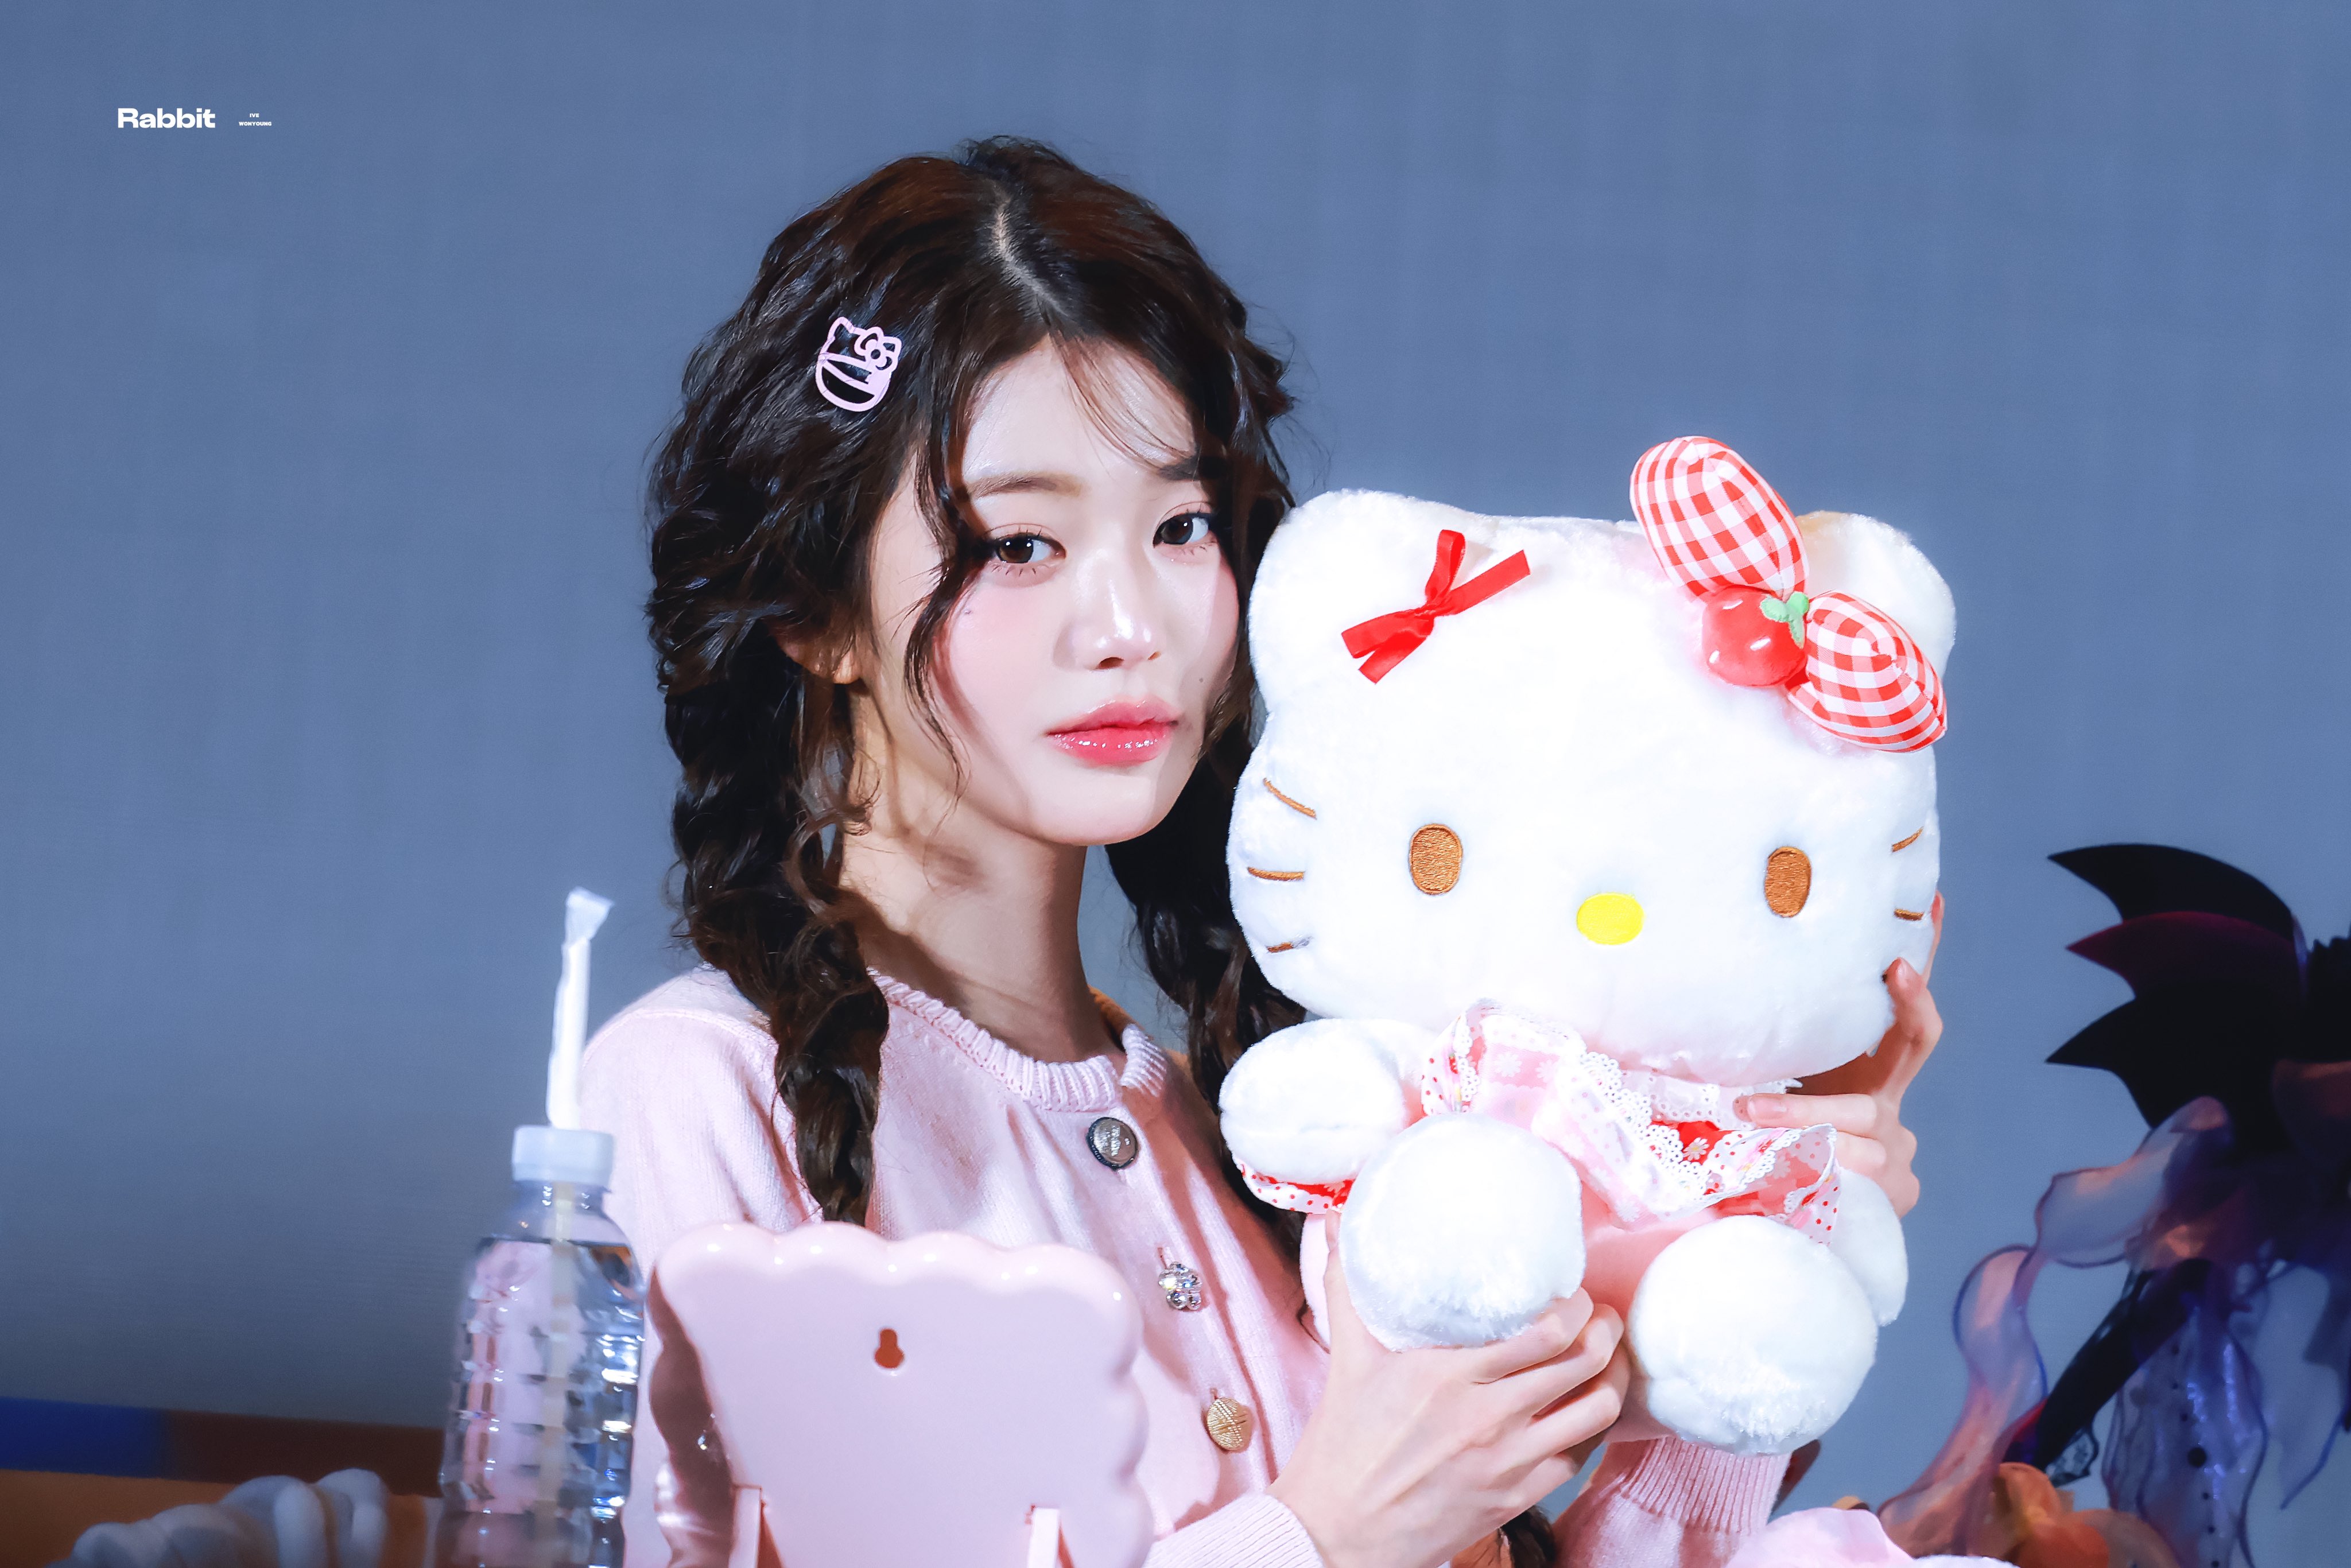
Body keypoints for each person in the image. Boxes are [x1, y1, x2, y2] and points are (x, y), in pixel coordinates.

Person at [581, 138, 1944, 1568]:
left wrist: (1746, 1214)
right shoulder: (696, 1091)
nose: (1131, 625)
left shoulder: (1277, 1129)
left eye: (1178, 527)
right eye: (1019, 545)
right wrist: (1329, 1531)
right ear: (812, 607)